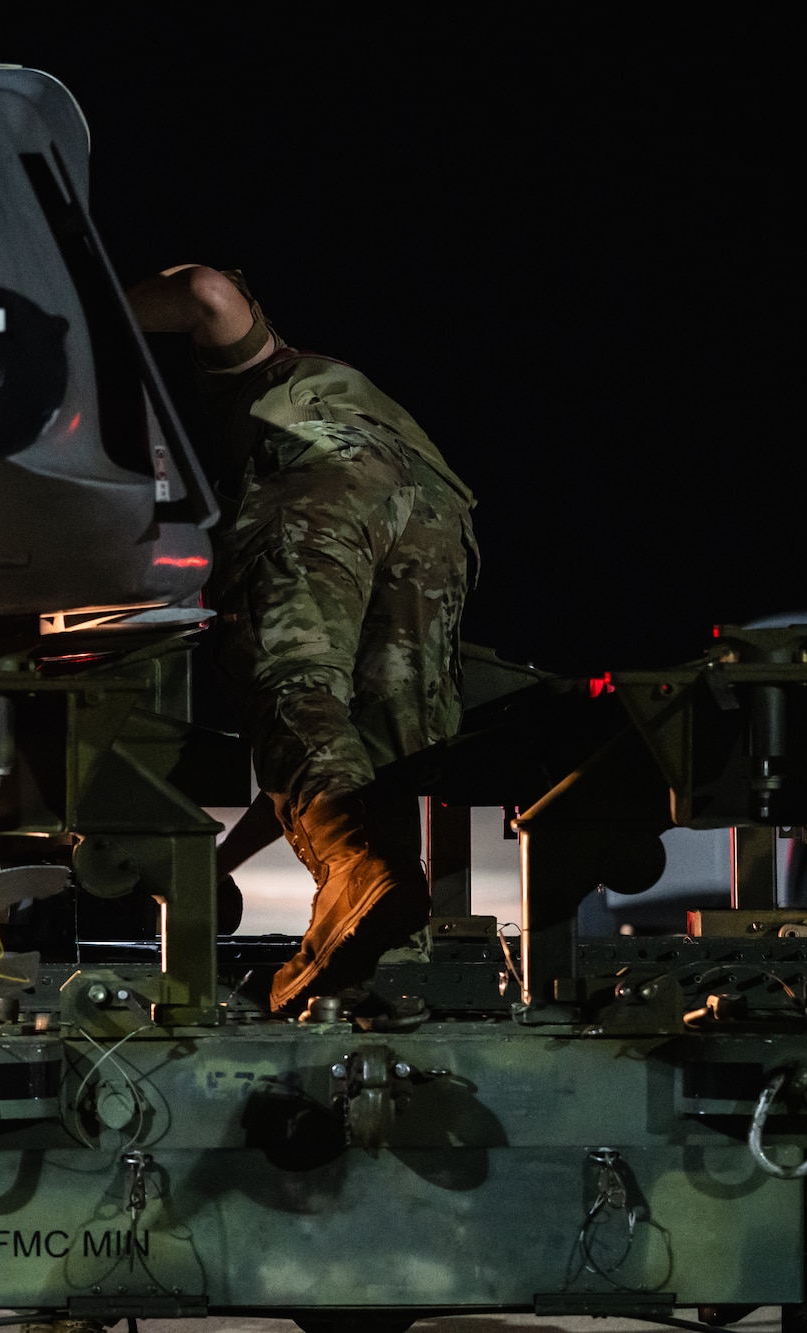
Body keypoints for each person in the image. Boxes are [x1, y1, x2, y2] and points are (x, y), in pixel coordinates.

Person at [129, 265, 477, 1016]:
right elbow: (319, 757)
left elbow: (206, 292)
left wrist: (69, 305)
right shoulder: (367, 400)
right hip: (437, 516)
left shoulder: (262, 367)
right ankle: (359, 955)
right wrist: (223, 860)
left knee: (289, 680)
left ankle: (353, 886)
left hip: (325, 485)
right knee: (376, 740)